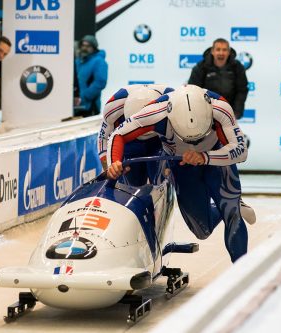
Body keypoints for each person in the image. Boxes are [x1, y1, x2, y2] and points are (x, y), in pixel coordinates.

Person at [106, 84, 256, 263]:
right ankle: (228, 207)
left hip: (216, 158)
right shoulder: (157, 111)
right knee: (202, 230)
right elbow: (118, 134)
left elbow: (241, 151)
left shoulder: (220, 108)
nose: (193, 141)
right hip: (182, 164)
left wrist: (205, 157)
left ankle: (240, 270)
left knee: (231, 212)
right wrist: (114, 161)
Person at [98, 84, 172, 186]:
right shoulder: (113, 107)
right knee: (130, 186)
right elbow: (103, 138)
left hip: (158, 141)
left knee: (160, 183)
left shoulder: (171, 101)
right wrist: (109, 167)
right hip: (129, 141)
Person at [188, 38, 249, 119]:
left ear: (229, 52)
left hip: (229, 113)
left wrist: (236, 113)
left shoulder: (237, 67)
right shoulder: (201, 67)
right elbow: (193, 90)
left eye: (224, 50)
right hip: (205, 113)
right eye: (218, 49)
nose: (221, 53)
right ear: (212, 51)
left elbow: (242, 90)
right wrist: (199, 112)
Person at [74, 35, 108, 117]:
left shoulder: (99, 61)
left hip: (91, 106)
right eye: (83, 45)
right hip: (76, 106)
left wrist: (85, 96)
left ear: (94, 47)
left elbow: (100, 82)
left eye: (88, 46)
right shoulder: (78, 61)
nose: (85, 48)